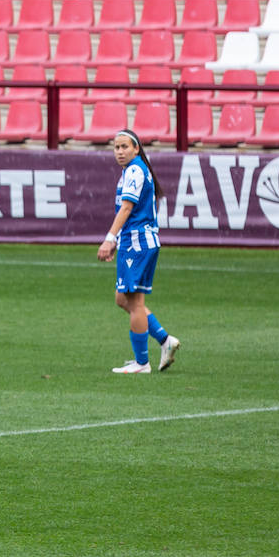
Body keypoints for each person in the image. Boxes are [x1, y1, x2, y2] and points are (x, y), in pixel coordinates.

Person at [97, 129, 181, 374]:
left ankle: (141, 363)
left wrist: (109, 239)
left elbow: (126, 209)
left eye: (125, 147)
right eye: (116, 147)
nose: (120, 152)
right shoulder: (134, 170)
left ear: (136, 149)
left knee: (135, 303)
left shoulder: (134, 170)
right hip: (138, 242)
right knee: (122, 299)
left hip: (137, 244)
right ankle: (165, 341)